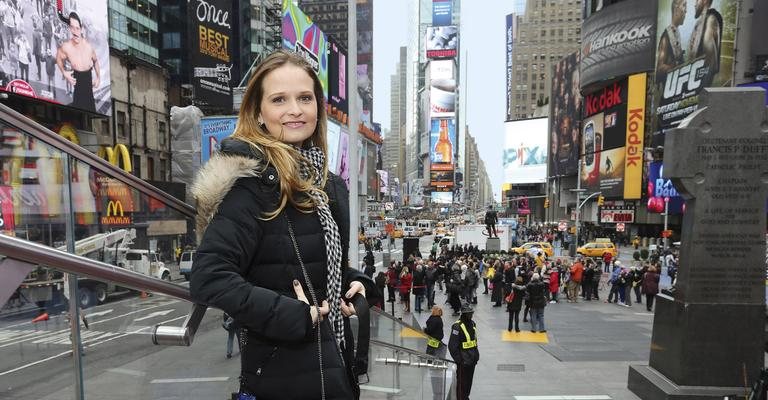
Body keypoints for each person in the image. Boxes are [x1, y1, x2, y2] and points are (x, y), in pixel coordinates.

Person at [189, 50, 379, 400]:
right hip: (280, 373)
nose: (295, 110)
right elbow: (208, 276)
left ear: (318, 108)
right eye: (280, 100)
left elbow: (317, 262)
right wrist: (293, 316)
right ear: (258, 113)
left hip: (335, 365)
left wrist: (355, 283)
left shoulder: (328, 185)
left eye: (305, 98)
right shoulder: (250, 184)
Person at [56, 12, 100, 112]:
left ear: (81, 29)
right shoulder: (67, 47)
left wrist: (98, 78)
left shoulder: (88, 46)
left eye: (77, 28)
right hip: (78, 84)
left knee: (89, 112)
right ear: (69, 28)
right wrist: (64, 72)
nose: (74, 31)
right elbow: (58, 58)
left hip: (88, 86)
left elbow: (96, 61)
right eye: (72, 27)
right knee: (77, 113)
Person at [687, 0, 723, 86]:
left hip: (699, 86)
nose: (694, 4)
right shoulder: (702, 21)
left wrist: (699, 89)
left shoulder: (710, 19)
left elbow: (710, 60)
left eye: (697, 0)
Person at [448, 302, 479, 400]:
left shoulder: (473, 324)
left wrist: (476, 355)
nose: (471, 315)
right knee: (462, 385)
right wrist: (460, 360)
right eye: (469, 313)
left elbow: (474, 340)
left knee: (469, 383)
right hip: (463, 361)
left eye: (471, 313)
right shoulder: (457, 326)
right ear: (464, 314)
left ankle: (466, 397)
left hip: (472, 359)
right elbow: (452, 346)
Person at [656, 0, 687, 76]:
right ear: (676, 10)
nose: (686, 10)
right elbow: (659, 68)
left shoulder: (676, 32)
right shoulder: (666, 36)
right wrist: (675, 67)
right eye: (684, 5)